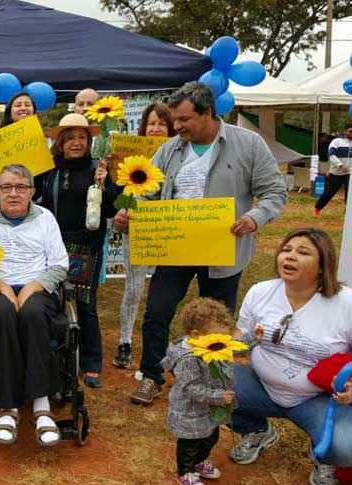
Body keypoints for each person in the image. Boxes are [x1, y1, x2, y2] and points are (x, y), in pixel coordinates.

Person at [115, 82, 287, 406]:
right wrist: (130, 212)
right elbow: (147, 192)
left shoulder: (248, 144)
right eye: (174, 120)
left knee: (217, 320)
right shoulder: (169, 150)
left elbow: (274, 192)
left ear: (208, 113)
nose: (176, 126)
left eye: (183, 119)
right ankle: (151, 376)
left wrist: (254, 218)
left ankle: (211, 382)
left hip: (222, 251)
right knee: (157, 313)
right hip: (174, 249)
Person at [230, 228, 352, 485]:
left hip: (321, 399)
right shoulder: (261, 291)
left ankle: (325, 453)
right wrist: (210, 347)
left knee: (346, 447)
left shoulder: (346, 304)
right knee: (207, 382)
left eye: (303, 252)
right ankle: (256, 430)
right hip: (261, 386)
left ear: (323, 266)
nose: (290, 256)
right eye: (286, 250)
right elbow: (240, 336)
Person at [0, 164, 69, 447]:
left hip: (36, 286)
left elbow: (60, 264)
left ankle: (41, 403)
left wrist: (32, 288)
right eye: (6, 187)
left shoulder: (45, 218)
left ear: (32, 192)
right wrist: (0, 286)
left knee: (34, 313)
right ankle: (8, 407)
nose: (14, 193)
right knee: (2, 313)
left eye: (21, 187)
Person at [39, 113, 114, 388]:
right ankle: (56, 353)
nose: (77, 143)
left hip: (86, 246)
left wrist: (105, 186)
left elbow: (111, 210)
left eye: (82, 137)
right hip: (53, 244)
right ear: (60, 143)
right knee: (52, 299)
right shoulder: (49, 171)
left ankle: (91, 362)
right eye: (70, 138)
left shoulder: (98, 168)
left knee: (84, 304)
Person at [113, 102, 175, 369]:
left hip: (169, 229)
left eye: (162, 123)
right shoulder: (131, 154)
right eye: (151, 123)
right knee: (134, 287)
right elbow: (119, 195)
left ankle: (159, 343)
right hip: (137, 227)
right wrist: (122, 212)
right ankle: (125, 341)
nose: (156, 128)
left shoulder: (179, 153)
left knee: (166, 290)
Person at [161, 297, 238, 485]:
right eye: (217, 339)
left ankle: (200, 462)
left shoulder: (207, 347)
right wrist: (218, 397)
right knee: (190, 443)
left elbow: (235, 344)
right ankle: (185, 471)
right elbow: (192, 389)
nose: (222, 342)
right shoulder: (187, 359)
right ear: (196, 335)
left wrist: (255, 339)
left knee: (210, 437)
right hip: (190, 411)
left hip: (207, 410)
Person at [314, 123, 350, 217]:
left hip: (350, 173)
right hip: (336, 173)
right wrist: (340, 165)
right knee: (329, 193)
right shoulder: (336, 141)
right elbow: (331, 155)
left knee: (349, 194)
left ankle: (348, 213)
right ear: (345, 131)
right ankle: (317, 208)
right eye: (350, 131)